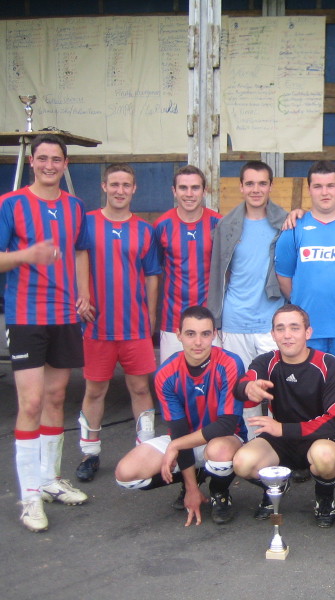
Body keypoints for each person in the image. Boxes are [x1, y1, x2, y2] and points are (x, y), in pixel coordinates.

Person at [0, 133, 93, 532]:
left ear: (66, 164)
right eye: (42, 159)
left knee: (57, 396)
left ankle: (50, 479)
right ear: (33, 162)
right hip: (26, 316)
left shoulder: (74, 206)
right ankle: (30, 496)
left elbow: (80, 251)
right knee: (32, 403)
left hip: (65, 316)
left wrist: (84, 293)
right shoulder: (11, 204)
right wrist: (26, 255)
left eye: (56, 159)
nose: (49, 165)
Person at [114, 306, 246, 526]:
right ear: (179, 335)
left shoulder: (230, 363)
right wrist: (192, 490)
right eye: (190, 333)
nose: (198, 342)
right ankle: (192, 481)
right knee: (126, 474)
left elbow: (226, 424)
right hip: (186, 438)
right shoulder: (166, 373)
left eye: (205, 334)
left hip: (224, 439)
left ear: (214, 334)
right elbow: (178, 431)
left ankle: (219, 492)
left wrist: (175, 446)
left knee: (219, 452)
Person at [75, 163, 161, 483]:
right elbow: (75, 260)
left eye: (126, 185)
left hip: (135, 326)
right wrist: (81, 296)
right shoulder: (86, 224)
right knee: (95, 390)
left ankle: (147, 448)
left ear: (134, 189)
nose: (120, 190)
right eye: (114, 184)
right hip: (97, 325)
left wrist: (151, 315)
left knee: (140, 387)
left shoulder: (144, 230)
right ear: (104, 187)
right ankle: (90, 453)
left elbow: (153, 275)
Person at [232, 304, 335, 527]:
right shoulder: (266, 361)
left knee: (325, 458)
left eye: (294, 328)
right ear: (273, 334)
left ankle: (324, 498)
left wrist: (283, 428)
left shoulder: (327, 364)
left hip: (317, 440)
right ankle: (275, 486)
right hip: (279, 443)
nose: (287, 335)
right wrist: (248, 388)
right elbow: (243, 384)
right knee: (242, 463)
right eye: (280, 329)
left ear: (308, 332)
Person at [207, 160, 291, 440]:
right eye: (250, 183)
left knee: (281, 391)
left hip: (272, 320)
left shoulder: (286, 222)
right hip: (236, 321)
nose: (256, 189)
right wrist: (216, 319)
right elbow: (219, 275)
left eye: (262, 183)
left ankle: (283, 451)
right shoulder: (227, 225)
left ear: (270, 186)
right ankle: (252, 451)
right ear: (241, 187)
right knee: (245, 393)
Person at [275, 160, 335, 389]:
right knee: (308, 395)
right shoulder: (293, 230)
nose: (324, 192)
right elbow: (284, 280)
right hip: (307, 332)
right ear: (309, 189)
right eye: (318, 186)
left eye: (330, 185)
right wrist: (304, 307)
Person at [154, 166, 222, 362]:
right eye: (183, 188)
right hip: (173, 321)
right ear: (174, 191)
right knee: (172, 380)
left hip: (210, 319)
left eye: (195, 188)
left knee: (211, 382)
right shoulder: (162, 225)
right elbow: (155, 272)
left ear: (204, 190)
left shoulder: (218, 224)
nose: (189, 194)